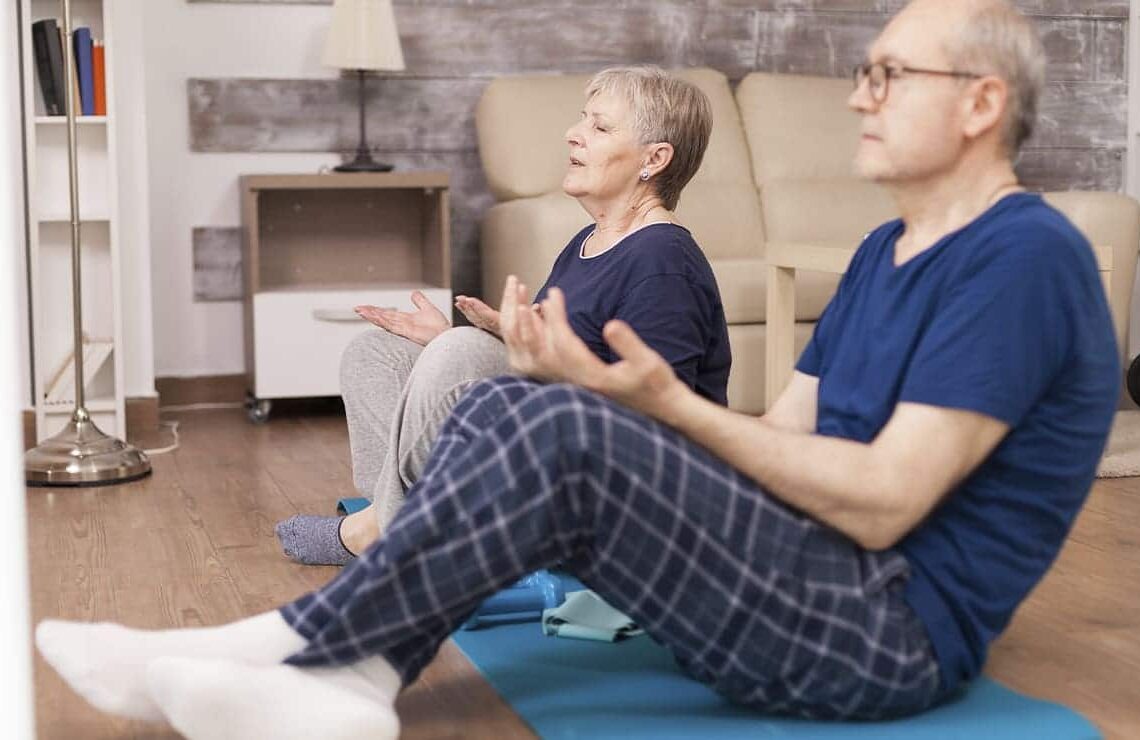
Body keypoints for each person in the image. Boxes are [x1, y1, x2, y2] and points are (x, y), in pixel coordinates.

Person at [34, 0, 1120, 737]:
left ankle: (281, 645)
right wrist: (595, 393)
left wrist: (654, 407)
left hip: (882, 633)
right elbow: (786, 442)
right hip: (801, 573)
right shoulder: (886, 252)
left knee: (545, 420)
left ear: (981, 102)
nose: (858, 97)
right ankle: (351, 677)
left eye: (890, 75)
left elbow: (884, 505)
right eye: (863, 74)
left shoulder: (1024, 257)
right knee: (511, 401)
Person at [277, 65, 732, 565]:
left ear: (655, 159)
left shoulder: (664, 260)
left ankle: (387, 530)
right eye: (582, 120)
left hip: (620, 489)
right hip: (552, 441)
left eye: (599, 127)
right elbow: (540, 365)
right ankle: (413, 524)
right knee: (377, 353)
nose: (572, 134)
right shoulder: (587, 242)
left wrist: (494, 352)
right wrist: (475, 342)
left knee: (462, 350)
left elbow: (663, 415)